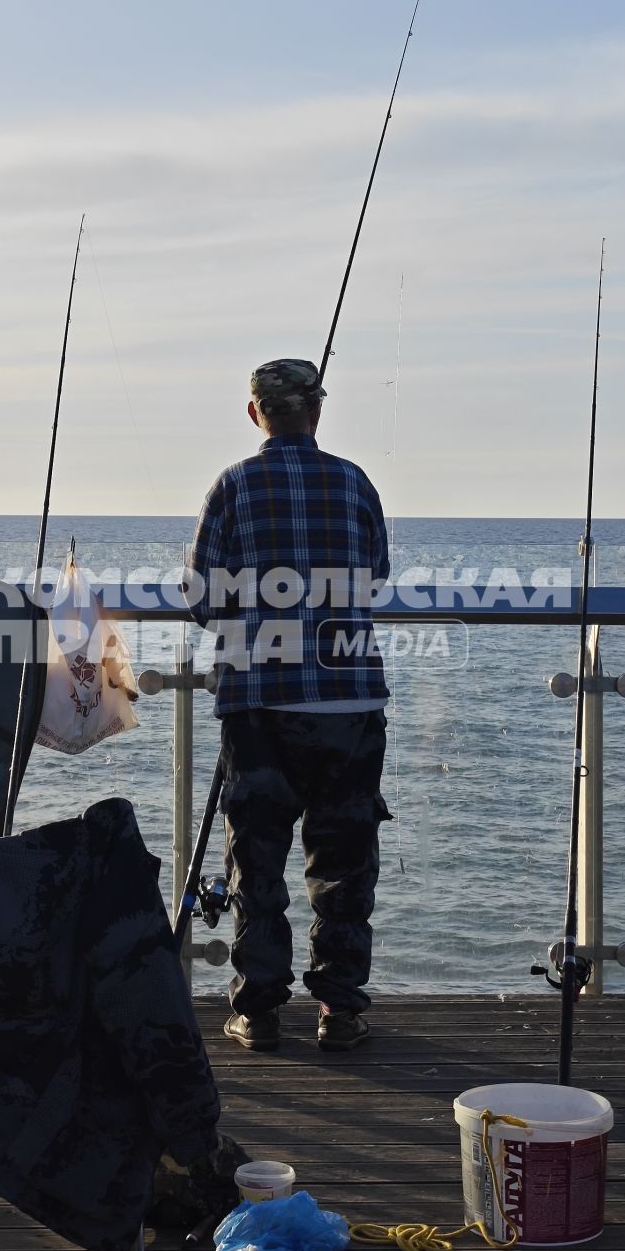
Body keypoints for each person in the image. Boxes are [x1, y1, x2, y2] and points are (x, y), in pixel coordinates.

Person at [187, 358, 391, 1053]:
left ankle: (260, 1011)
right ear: (318, 411)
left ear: (256, 414)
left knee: (259, 859)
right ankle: (341, 1010)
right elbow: (376, 576)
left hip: (259, 705)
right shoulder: (356, 482)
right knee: (345, 858)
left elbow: (203, 599)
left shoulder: (234, 485)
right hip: (350, 701)